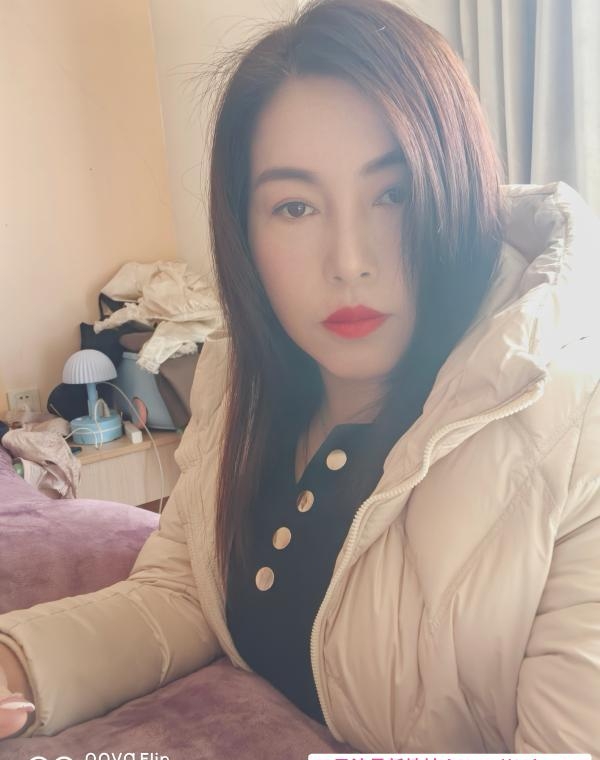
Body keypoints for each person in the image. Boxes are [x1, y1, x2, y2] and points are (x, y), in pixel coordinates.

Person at [1, 0, 599, 753]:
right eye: (294, 207)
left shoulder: (576, 434)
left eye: (394, 194)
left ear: (457, 190)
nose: (348, 260)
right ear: (243, 233)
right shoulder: (236, 384)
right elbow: (182, 592)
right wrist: (16, 666)